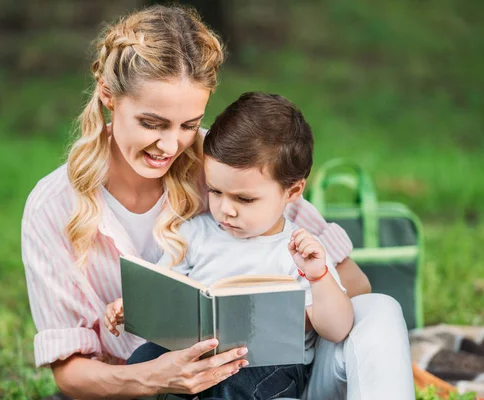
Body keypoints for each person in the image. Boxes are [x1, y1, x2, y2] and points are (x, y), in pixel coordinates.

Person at [21, 4, 414, 400]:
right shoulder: (53, 206)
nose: (171, 145)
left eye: (189, 124)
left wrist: (296, 308)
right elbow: (69, 373)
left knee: (379, 308)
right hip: (138, 386)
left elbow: (355, 286)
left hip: (276, 373)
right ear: (108, 96)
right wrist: (156, 376)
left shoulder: (229, 163)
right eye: (152, 123)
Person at [104, 92, 355, 399]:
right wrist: (131, 305)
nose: (226, 209)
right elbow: (163, 289)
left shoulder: (300, 252)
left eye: (244, 199)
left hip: (267, 365)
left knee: (233, 388)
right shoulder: (193, 233)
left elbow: (337, 329)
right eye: (216, 191)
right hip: (194, 353)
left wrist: (319, 277)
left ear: (293, 191)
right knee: (142, 362)